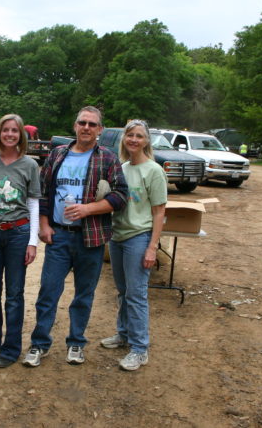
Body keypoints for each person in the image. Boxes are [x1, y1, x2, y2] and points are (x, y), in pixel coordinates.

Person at [23, 106, 128, 367]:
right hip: (59, 235)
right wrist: (44, 225)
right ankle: (39, 344)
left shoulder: (107, 158)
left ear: (100, 130)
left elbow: (121, 195)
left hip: (90, 239)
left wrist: (87, 209)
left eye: (92, 124)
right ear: (75, 125)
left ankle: (76, 343)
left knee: (84, 294)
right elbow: (43, 192)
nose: (86, 128)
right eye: (82, 122)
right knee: (48, 292)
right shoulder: (58, 154)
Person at [0, 114, 42, 368]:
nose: (10, 134)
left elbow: (34, 203)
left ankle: (11, 347)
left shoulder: (29, 165)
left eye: (15, 130)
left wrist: (32, 241)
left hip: (18, 233)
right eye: (6, 130)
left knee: (14, 293)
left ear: (21, 135)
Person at [100, 119, 167, 371]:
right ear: (124, 139)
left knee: (136, 294)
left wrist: (152, 247)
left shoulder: (154, 171)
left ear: (146, 141)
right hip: (117, 237)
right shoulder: (121, 168)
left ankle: (140, 349)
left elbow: (159, 212)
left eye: (139, 136)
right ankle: (124, 334)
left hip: (139, 237)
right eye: (130, 135)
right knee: (122, 290)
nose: (134, 140)